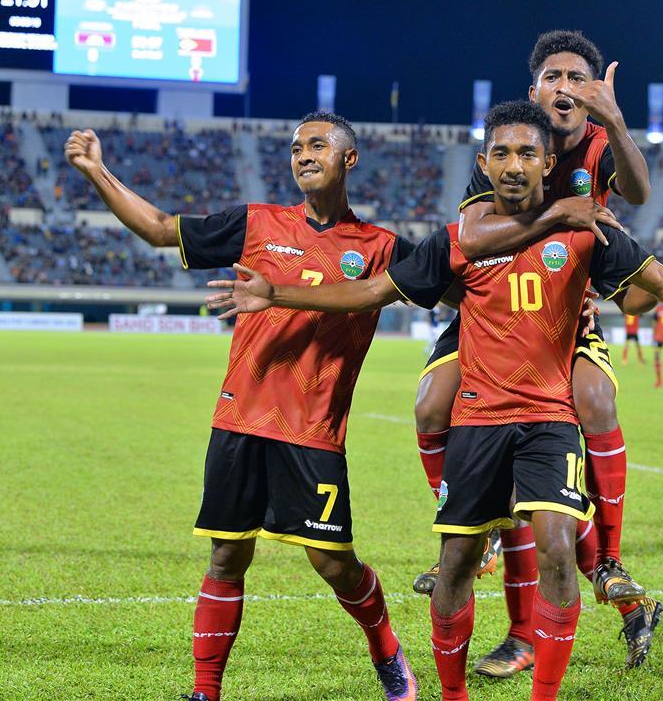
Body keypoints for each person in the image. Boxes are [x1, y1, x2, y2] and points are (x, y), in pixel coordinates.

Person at [204, 101, 663, 700]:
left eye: (528, 153)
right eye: (502, 153)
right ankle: (452, 695)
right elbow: (369, 291)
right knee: (455, 562)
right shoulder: (457, 242)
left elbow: (661, 282)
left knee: (557, 547)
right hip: (477, 423)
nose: (514, 165)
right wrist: (278, 292)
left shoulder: (584, 233)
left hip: (548, 420)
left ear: (547, 162)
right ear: (484, 163)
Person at [64, 114, 418, 701]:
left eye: (319, 145)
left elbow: (465, 286)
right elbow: (157, 229)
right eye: (297, 147)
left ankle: (385, 649)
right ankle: (206, 693)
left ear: (349, 159)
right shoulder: (255, 224)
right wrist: (96, 171)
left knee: (335, 565)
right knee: (226, 556)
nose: (304, 155)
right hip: (239, 420)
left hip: (313, 432)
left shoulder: (383, 248)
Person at [414, 29, 661, 673]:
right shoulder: (508, 144)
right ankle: (471, 523)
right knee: (431, 403)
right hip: (493, 308)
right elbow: (474, 233)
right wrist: (553, 221)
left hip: (562, 311)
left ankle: (606, 561)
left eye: (578, 78)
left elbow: (636, 193)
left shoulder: (600, 145)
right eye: (553, 77)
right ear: (533, 90)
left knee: (595, 398)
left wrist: (617, 119)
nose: (565, 88)